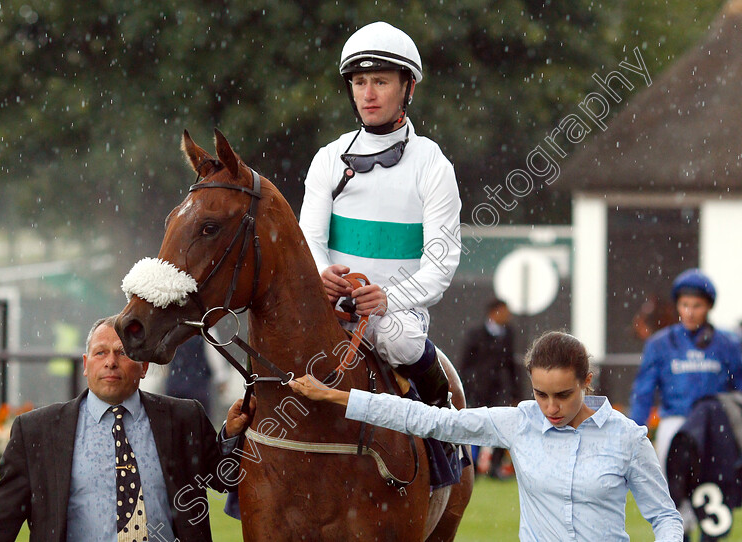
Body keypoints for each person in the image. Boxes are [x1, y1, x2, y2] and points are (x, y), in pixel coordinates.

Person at [290, 331, 684, 541]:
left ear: (587, 382)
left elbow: (665, 517)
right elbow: (425, 418)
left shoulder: (629, 438)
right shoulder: (518, 422)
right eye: (540, 394)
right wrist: (336, 396)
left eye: (563, 395)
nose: (551, 407)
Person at [0, 316, 255, 542]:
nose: (110, 362)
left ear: (144, 366)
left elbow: (223, 480)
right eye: (100, 353)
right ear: (85, 364)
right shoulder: (37, 432)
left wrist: (230, 434)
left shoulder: (184, 418)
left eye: (122, 353)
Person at [298, 21, 462, 408]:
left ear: (408, 86)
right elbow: (309, 240)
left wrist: (387, 299)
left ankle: (441, 431)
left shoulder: (433, 165)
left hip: (398, 315)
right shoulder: (327, 158)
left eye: (380, 82)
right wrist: (321, 274)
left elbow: (440, 265)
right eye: (359, 82)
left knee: (400, 340)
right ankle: (236, 444)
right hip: (330, 309)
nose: (368, 94)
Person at [629, 269, 742, 538]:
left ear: (709, 306)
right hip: (675, 428)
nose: (690, 312)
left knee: (715, 499)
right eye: (684, 305)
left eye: (697, 306)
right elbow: (643, 392)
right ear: (677, 305)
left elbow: (738, 391)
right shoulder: (660, 344)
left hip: (716, 433)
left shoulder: (728, 343)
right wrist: (633, 432)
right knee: (675, 503)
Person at [455, 298, 520, 477]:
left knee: (501, 426)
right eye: (505, 311)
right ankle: (473, 467)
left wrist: (516, 392)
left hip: (499, 389)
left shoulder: (509, 333)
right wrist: (466, 387)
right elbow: (464, 363)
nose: (508, 316)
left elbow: (511, 364)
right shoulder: (475, 333)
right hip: (477, 389)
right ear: (494, 312)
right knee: (475, 426)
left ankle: (495, 467)